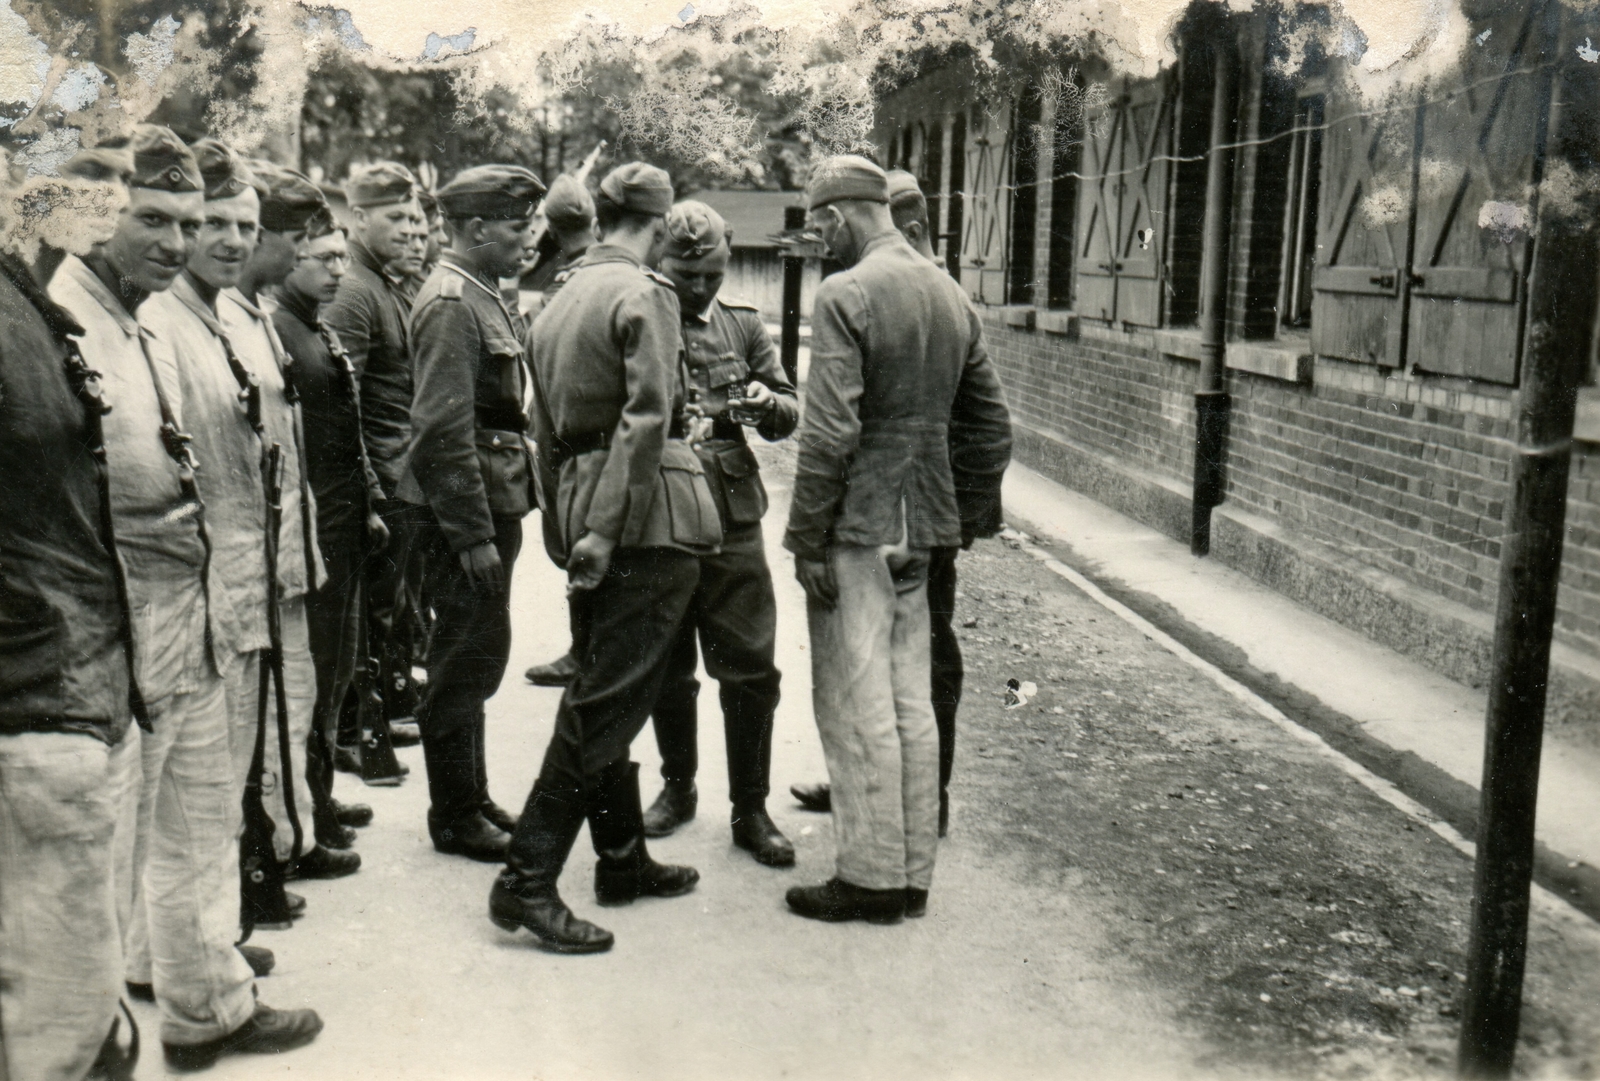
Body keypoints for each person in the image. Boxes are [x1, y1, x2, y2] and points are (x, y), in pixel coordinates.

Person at [50, 127, 297, 1071]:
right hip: (112, 621)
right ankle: (89, 1050)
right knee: (101, 867)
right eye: (151, 218)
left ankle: (208, 1007)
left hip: (185, 606)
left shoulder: (142, 314)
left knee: (201, 821)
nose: (174, 239)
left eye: (185, 221)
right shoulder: (59, 314)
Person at [490, 162, 716, 955]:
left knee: (602, 678)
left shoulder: (555, 301)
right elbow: (651, 416)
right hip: (644, 517)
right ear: (657, 225)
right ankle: (526, 878)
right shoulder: (646, 293)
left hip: (588, 507)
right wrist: (612, 525)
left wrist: (574, 528)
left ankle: (620, 857)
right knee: (608, 698)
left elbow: (543, 430)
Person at [782, 156, 1012, 925]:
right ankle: (912, 876)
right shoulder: (949, 293)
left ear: (842, 215)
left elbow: (830, 431)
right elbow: (992, 423)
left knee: (855, 697)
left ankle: (869, 877)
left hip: (860, 521)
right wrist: (959, 517)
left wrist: (806, 537)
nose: (820, 242)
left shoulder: (847, 293)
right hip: (926, 523)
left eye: (821, 227)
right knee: (912, 697)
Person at [0, 157, 147, 1081]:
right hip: (38, 703)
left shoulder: (25, 293)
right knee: (59, 1027)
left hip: (70, 694)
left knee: (82, 1014)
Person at [636, 200, 798, 869]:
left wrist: (766, 403)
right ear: (657, 257)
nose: (699, 287)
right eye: (685, 272)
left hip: (732, 518)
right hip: (664, 516)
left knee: (750, 666)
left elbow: (788, 409)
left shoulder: (745, 325)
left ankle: (751, 807)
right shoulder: (639, 319)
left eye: (711, 273)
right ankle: (677, 787)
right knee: (670, 664)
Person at [398, 164, 544, 861]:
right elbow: (440, 431)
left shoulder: (482, 293)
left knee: (480, 651)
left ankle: (473, 795)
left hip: (488, 505)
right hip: (466, 517)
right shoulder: (454, 302)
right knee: (460, 657)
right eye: (518, 226)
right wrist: (472, 535)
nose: (529, 237)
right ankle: (454, 813)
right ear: (477, 228)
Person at [268, 203, 389, 850]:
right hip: (310, 530)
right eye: (325, 258)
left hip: (342, 526)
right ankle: (309, 804)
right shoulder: (280, 330)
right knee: (311, 674)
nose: (339, 269)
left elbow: (350, 428)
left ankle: (320, 794)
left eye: (344, 256)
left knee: (337, 670)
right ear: (293, 256)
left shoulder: (316, 329)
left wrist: (368, 501)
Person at [324, 163, 430, 759]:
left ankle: (375, 711)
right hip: (381, 478)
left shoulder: (382, 283)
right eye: (393, 218)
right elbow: (347, 403)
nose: (406, 230)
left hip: (400, 473)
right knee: (368, 614)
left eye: (411, 217)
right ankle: (351, 726)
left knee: (387, 612)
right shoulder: (354, 290)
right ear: (357, 217)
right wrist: (368, 490)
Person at [522, 172, 598, 689]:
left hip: (570, 430)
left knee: (578, 536)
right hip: (572, 423)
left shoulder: (565, 282)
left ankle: (587, 650)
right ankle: (587, 646)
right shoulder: (590, 270)